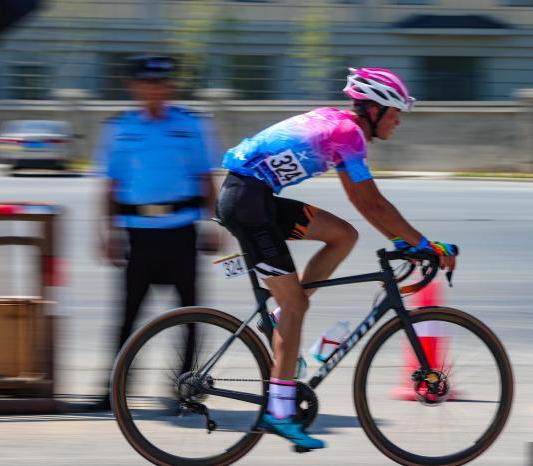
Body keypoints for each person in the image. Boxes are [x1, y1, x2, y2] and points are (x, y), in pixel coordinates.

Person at [216, 67, 458, 449]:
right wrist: (423, 245)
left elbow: (365, 205)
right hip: (249, 205)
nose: (397, 122)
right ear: (374, 110)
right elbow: (370, 202)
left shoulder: (340, 125)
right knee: (296, 305)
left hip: (254, 197)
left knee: (343, 235)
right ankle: (279, 412)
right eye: (394, 113)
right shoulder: (348, 133)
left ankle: (278, 319)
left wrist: (406, 242)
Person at [94, 56, 220, 410]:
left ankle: (186, 388)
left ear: (171, 87)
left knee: (190, 316)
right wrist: (108, 233)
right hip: (139, 235)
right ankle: (115, 389)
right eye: (147, 83)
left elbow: (206, 177)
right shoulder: (120, 127)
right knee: (128, 316)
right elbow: (111, 184)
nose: (155, 90)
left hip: (181, 232)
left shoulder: (191, 125)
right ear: (134, 87)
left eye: (161, 83)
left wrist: (214, 224)